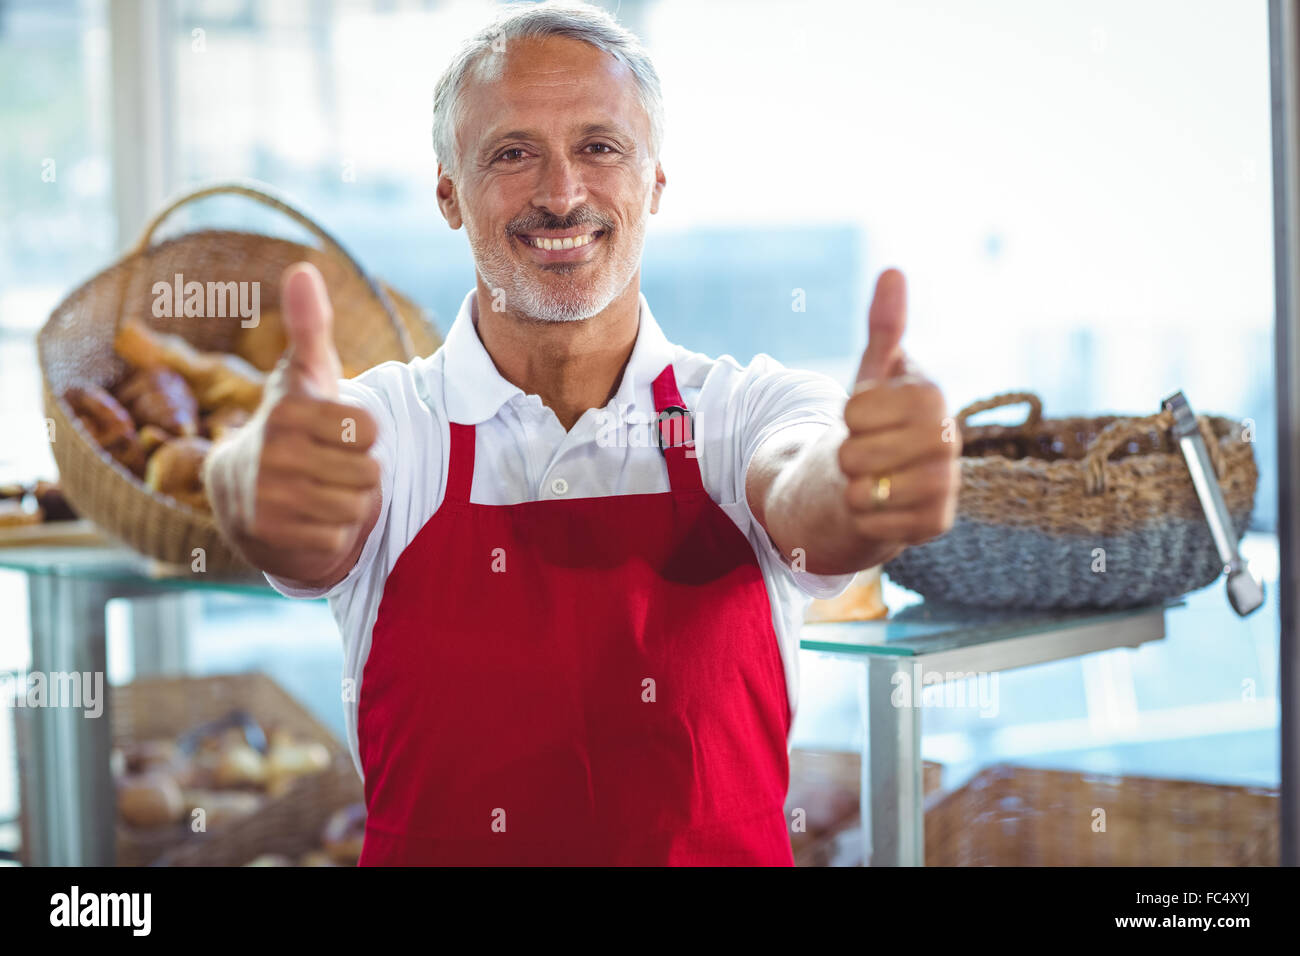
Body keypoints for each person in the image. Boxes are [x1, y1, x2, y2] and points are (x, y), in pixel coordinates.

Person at [204, 0, 960, 866]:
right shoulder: (392, 428)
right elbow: (294, 510)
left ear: (656, 184)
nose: (560, 194)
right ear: (449, 193)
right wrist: (248, 481)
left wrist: (865, 485)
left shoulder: (743, 412)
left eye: (600, 148)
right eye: (512, 154)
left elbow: (804, 486)